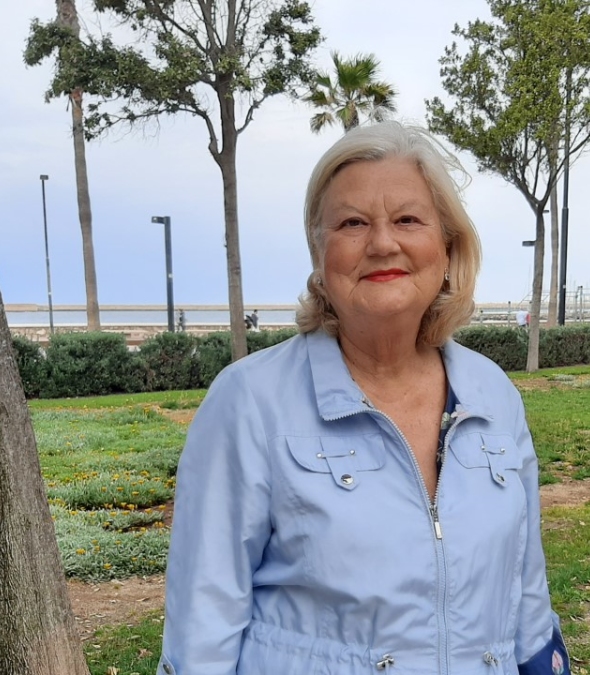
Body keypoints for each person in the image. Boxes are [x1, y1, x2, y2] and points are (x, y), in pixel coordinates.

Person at [160, 122, 568, 674]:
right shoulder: (249, 402)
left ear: (446, 248)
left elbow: (526, 587)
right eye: (352, 223)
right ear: (320, 253)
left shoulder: (492, 392)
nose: (382, 243)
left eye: (407, 219)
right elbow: (202, 625)